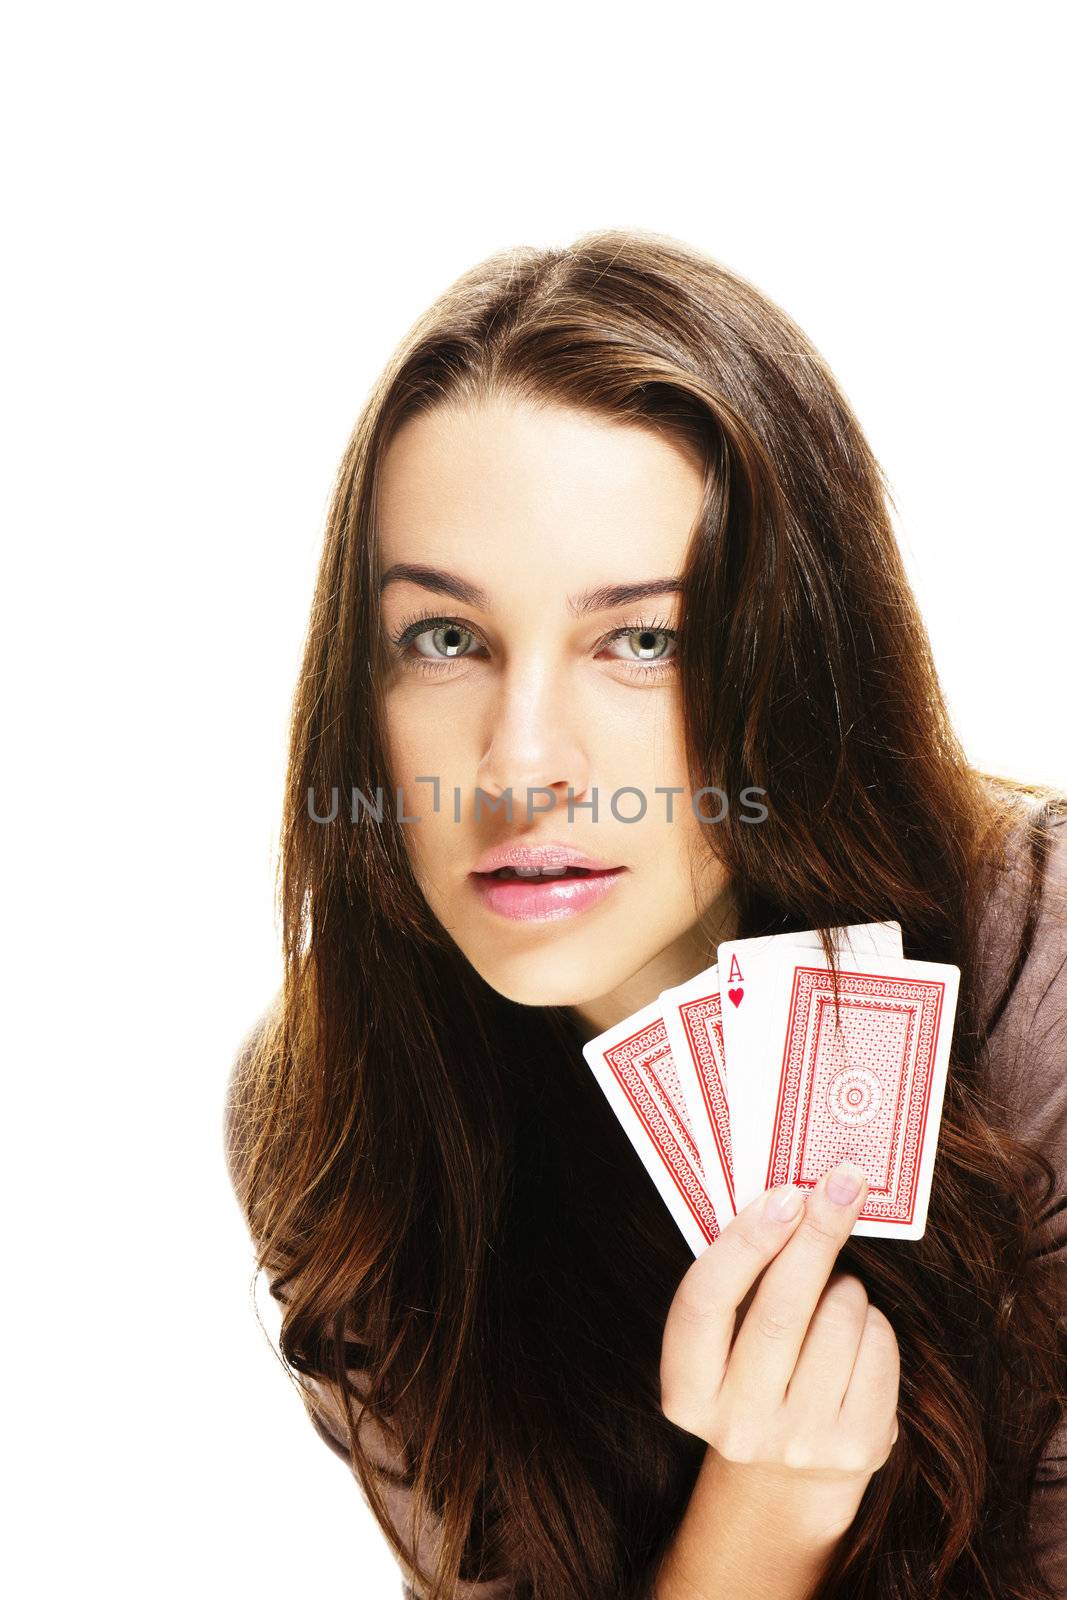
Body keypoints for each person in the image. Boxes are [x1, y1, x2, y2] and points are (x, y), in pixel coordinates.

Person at [223, 229, 1067, 1600]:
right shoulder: (337, 1111)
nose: (518, 762)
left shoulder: (1048, 985)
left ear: (797, 659)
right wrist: (754, 1529)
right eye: (445, 639)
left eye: (644, 639)